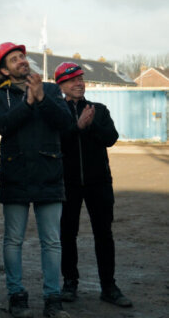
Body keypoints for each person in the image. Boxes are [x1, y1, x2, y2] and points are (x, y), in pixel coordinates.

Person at [0, 42, 73, 318]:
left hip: (49, 173)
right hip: (15, 174)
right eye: (14, 59)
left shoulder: (50, 89)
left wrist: (42, 97)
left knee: (52, 241)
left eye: (22, 56)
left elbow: (65, 123)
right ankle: (17, 296)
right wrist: (28, 102)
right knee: (13, 240)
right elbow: (3, 126)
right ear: (4, 69)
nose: (22, 61)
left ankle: (53, 299)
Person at [54, 62, 132, 308]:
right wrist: (77, 127)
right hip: (68, 184)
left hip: (99, 183)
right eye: (71, 80)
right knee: (67, 234)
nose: (78, 83)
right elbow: (56, 143)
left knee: (104, 234)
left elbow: (111, 138)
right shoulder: (57, 113)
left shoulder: (99, 109)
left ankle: (108, 286)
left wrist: (91, 123)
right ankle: (70, 282)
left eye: (80, 78)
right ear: (61, 86)